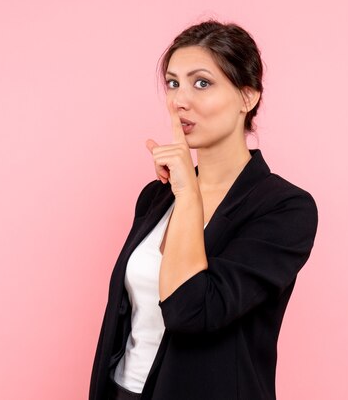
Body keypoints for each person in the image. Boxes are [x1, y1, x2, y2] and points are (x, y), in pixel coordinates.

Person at [89, 20, 319, 400]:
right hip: (123, 390)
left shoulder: (285, 209)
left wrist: (187, 192)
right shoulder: (155, 197)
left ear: (248, 97)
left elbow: (189, 311)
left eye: (202, 83)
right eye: (173, 83)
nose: (180, 100)